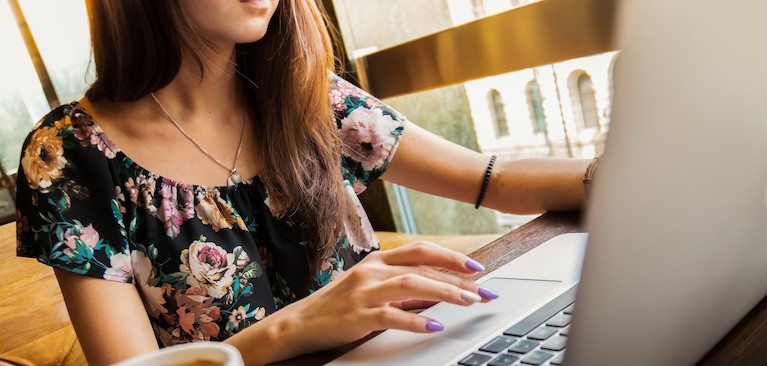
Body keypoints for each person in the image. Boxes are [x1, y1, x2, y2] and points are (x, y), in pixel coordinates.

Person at [14, 0, 593, 365]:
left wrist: (622, 175)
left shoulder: (306, 93)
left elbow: (492, 180)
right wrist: (298, 326)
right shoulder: (69, 154)